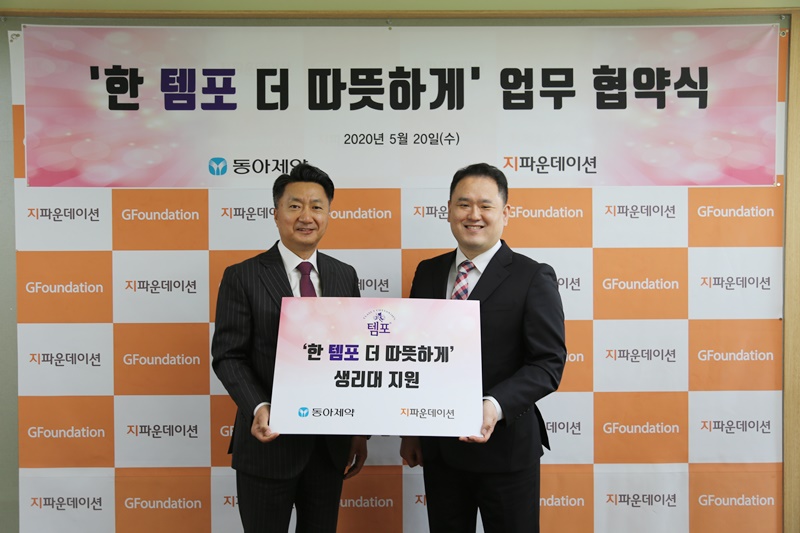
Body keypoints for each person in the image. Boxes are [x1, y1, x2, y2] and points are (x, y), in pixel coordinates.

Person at [400, 162, 566, 533]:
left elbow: (548, 363)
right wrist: (411, 430)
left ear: (505, 213)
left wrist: (493, 405)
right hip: (440, 452)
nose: (473, 215)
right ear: (448, 210)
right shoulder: (427, 272)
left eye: (485, 205)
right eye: (463, 204)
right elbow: (414, 355)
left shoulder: (532, 276)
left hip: (506, 451)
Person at [212, 163, 368, 533]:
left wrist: (357, 430)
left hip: (328, 447)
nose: (306, 216)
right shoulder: (242, 276)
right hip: (268, 444)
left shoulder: (344, 274)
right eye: (295, 206)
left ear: (328, 214)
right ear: (276, 212)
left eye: (317, 206)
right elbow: (229, 356)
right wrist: (259, 407)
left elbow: (356, 355)